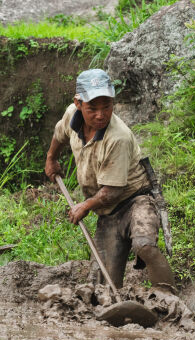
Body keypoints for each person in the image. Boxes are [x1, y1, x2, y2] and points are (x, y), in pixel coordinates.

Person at [44, 69, 175, 291]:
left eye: (106, 107)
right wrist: (51, 159)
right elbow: (59, 135)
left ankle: (169, 299)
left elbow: (113, 191)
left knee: (144, 246)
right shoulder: (70, 116)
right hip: (108, 212)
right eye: (92, 108)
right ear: (78, 103)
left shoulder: (118, 137)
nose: (100, 115)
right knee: (102, 288)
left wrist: (85, 205)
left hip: (135, 199)